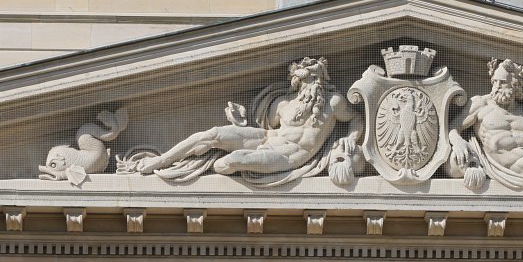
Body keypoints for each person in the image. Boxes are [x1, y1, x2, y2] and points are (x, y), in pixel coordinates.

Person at [136, 56, 359, 177]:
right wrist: (239, 121)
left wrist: (350, 138)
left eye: (315, 78)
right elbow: (261, 125)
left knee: (229, 162)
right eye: (307, 79)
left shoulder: (333, 102)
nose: (312, 84)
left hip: (291, 157)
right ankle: (161, 160)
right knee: (212, 134)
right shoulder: (284, 104)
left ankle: (208, 165)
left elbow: (356, 119)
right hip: (268, 139)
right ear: (297, 82)